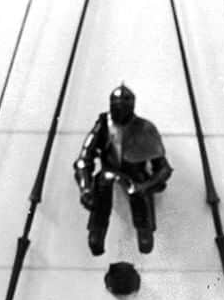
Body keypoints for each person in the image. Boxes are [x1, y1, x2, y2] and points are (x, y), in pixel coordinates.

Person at [73, 84, 172, 255]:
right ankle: (98, 228)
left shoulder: (144, 128)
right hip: (108, 173)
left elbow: (163, 168)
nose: (120, 109)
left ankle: (144, 228)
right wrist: (86, 188)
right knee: (104, 181)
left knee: (138, 187)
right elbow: (84, 159)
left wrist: (147, 185)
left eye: (124, 104)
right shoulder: (103, 125)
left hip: (135, 176)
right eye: (116, 104)